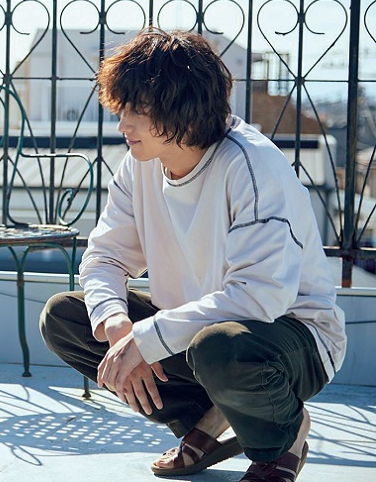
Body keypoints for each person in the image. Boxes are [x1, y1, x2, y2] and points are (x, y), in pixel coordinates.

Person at [39, 29, 346, 482]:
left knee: (219, 347)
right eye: (122, 109)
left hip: (290, 338)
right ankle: (207, 420)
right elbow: (104, 256)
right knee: (65, 318)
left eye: (137, 111)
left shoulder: (251, 165)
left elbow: (259, 297)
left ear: (182, 111)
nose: (123, 124)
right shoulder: (139, 164)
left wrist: (147, 339)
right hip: (196, 332)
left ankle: (284, 435)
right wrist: (117, 324)